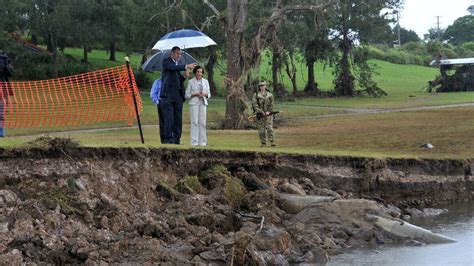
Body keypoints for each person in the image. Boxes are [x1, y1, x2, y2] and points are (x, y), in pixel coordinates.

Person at [160, 46, 195, 144]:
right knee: (169, 119)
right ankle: (168, 139)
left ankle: (177, 139)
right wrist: (186, 66)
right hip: (167, 96)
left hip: (178, 96)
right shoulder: (166, 62)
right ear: (172, 53)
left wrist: (184, 77)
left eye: (180, 54)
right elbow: (172, 68)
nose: (179, 56)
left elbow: (178, 80)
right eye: (177, 53)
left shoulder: (179, 64)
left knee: (178, 119)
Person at [185, 65, 210, 146]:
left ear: (202, 73)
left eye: (200, 72)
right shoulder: (191, 81)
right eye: (198, 72)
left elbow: (209, 94)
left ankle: (202, 142)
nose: (199, 73)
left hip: (203, 103)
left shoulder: (205, 81)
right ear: (195, 72)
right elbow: (187, 95)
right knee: (194, 122)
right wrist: (195, 94)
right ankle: (194, 142)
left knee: (202, 123)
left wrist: (205, 95)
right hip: (194, 103)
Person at [252, 81, 276, 147]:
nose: (262, 87)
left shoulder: (270, 95)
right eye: (261, 86)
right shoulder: (256, 95)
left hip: (269, 114)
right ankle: (263, 143)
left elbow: (272, 104)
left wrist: (269, 111)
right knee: (261, 129)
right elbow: (255, 105)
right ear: (259, 87)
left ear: (265, 86)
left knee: (269, 128)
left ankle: (272, 141)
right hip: (260, 115)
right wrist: (261, 111)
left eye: (263, 85)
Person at [0, 51, 13, 138]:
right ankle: (1, 130)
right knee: (2, 108)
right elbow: (10, 73)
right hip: (3, 86)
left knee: (1, 108)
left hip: (3, 86)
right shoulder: (5, 58)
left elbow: (10, 73)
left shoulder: (4, 59)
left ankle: (1, 130)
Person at [150, 77, 165, 143]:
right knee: (162, 122)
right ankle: (163, 140)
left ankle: (172, 138)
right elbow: (153, 93)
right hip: (161, 102)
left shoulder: (173, 80)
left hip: (171, 103)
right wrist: (157, 102)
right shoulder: (158, 81)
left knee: (171, 121)